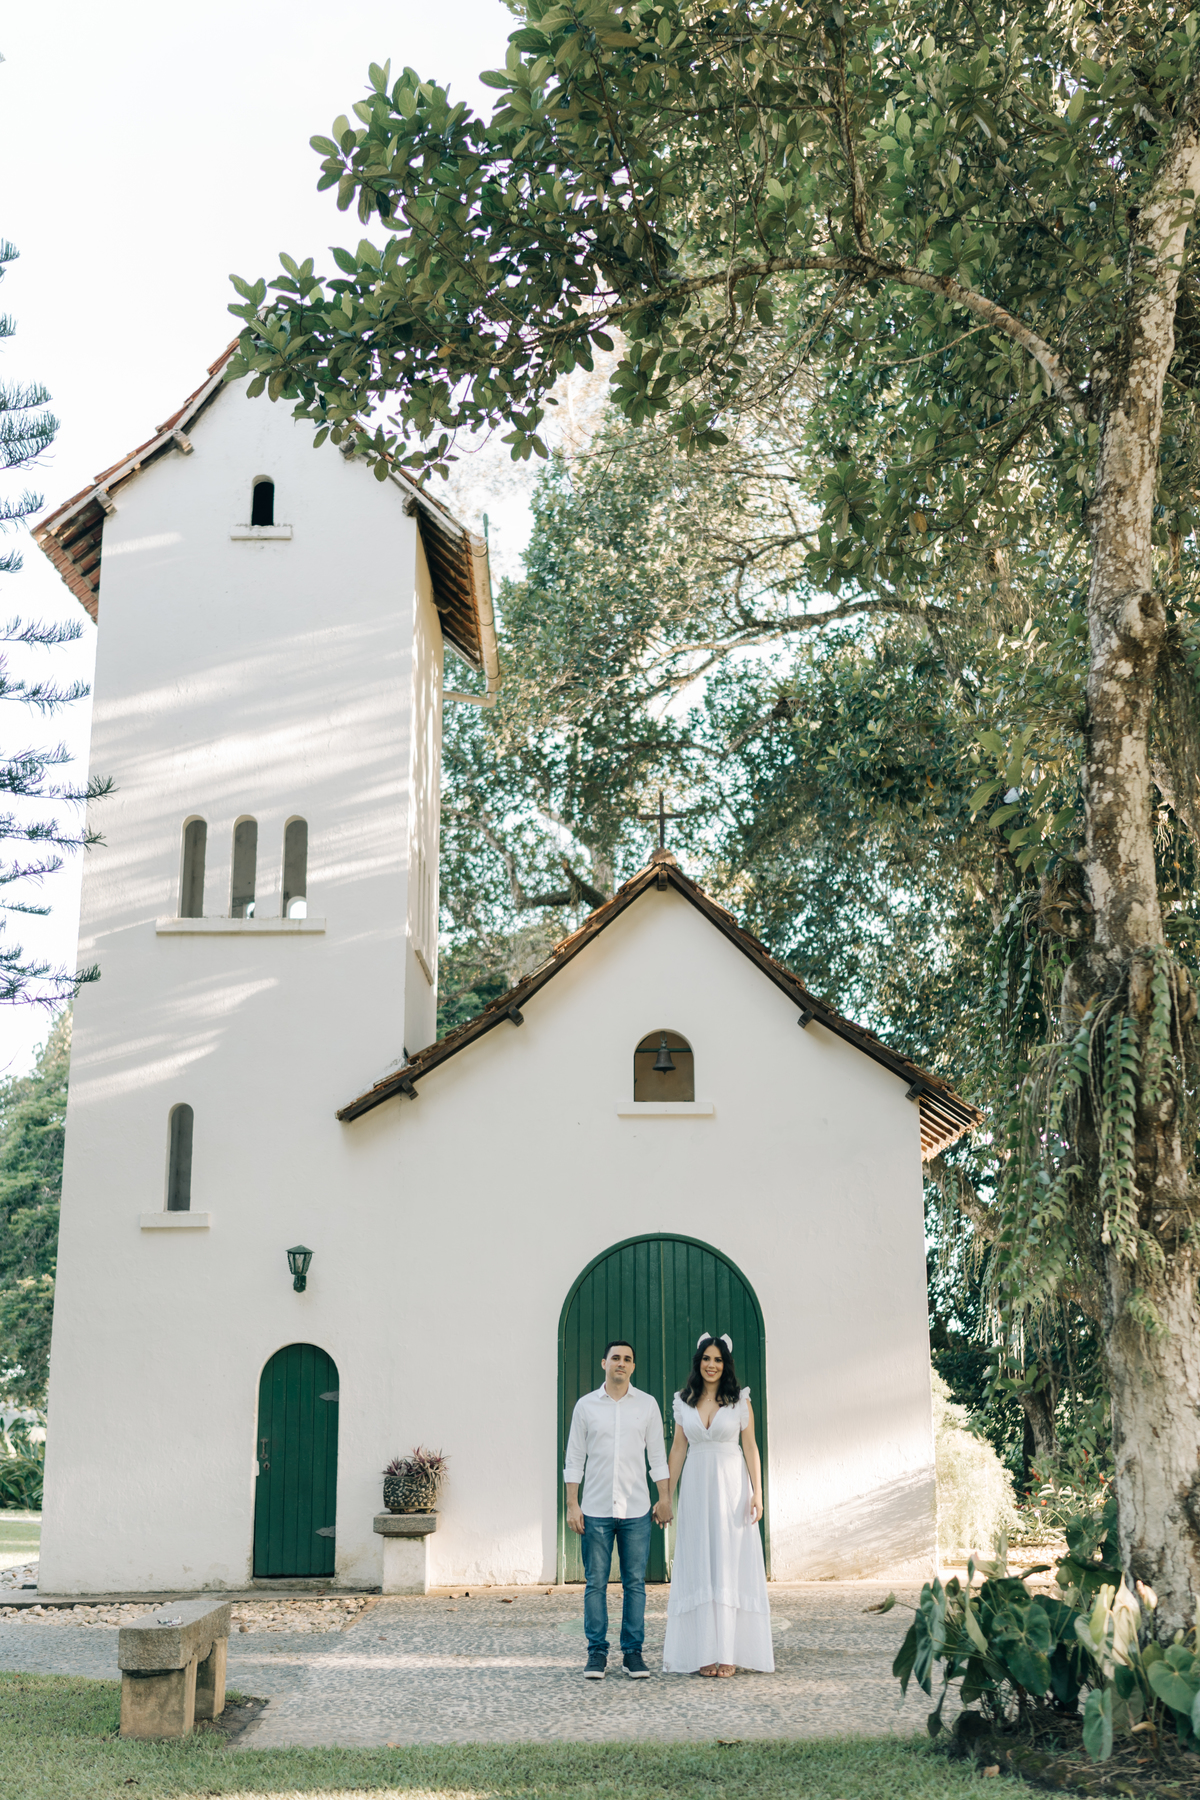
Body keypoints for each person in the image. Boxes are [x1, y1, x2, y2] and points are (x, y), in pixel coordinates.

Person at [661, 1332, 774, 1677]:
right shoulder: (683, 1401)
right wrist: (666, 1495)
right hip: (696, 1489)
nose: (712, 1365)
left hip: (731, 1490)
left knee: (728, 1562)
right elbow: (679, 1449)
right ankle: (703, 1652)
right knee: (699, 1563)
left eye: (718, 1359)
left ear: (726, 1365)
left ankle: (728, 1653)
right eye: (707, 1359)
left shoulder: (739, 1400)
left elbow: (751, 1446)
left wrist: (758, 1492)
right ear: (699, 1363)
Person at [563, 1338, 672, 1679]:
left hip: (636, 1508)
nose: (621, 1363)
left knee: (634, 1584)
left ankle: (633, 1654)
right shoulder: (585, 1407)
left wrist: (664, 1498)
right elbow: (574, 1458)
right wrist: (572, 1504)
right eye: (615, 1358)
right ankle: (596, 1654)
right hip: (594, 1509)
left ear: (633, 1367)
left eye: (627, 1359)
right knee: (595, 1583)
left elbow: (657, 1457)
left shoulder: (647, 1405)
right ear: (604, 1364)